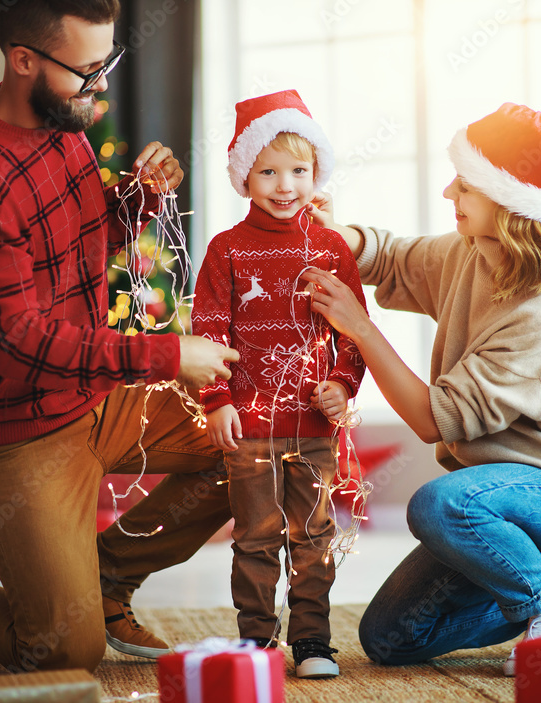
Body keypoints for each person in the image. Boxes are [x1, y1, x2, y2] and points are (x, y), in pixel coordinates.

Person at [0, 0, 239, 674]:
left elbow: (75, 236)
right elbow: (17, 341)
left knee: (250, 445)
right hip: (14, 428)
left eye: (107, 63)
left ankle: (108, 581)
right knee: (63, 650)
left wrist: (141, 200)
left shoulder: (63, 124)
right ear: (22, 60)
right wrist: (165, 356)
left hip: (95, 395)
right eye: (89, 70)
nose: (103, 85)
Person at [301, 103, 541, 676]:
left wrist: (360, 329)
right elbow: (394, 259)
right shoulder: (473, 253)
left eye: (464, 184)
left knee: (441, 503)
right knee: (389, 638)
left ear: (509, 202)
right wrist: (336, 235)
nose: (447, 192)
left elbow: (430, 421)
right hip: (505, 498)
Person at [191, 89, 367, 679]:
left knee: (314, 535)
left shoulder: (333, 249)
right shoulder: (226, 250)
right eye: (267, 171)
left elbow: (353, 334)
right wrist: (216, 401)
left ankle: (313, 641)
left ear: (317, 172)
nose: (285, 184)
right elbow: (209, 331)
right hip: (250, 430)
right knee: (257, 538)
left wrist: (342, 385)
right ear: (245, 177)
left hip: (313, 428)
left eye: (298, 170)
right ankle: (258, 643)